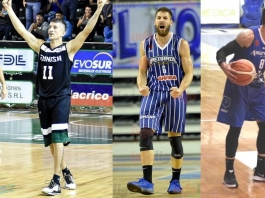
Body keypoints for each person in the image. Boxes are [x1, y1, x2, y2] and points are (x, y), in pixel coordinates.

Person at [2, 0, 104, 196]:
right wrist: (8, 9)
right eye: (50, 27)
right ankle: (65, 171)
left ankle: (55, 182)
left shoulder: (69, 48)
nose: (51, 29)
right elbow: (23, 31)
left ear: (63, 32)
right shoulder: (42, 47)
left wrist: (99, 8)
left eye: (55, 27)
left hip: (61, 98)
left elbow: (86, 31)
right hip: (44, 99)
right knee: (50, 141)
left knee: (58, 140)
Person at [215, 4, 265, 188]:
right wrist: (224, 66)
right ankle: (229, 172)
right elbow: (221, 52)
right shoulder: (248, 36)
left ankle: (260, 170)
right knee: (235, 128)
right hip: (238, 86)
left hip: (258, 87)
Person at [126, 7, 193, 195]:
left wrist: (180, 89)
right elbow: (141, 72)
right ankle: (147, 182)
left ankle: (175, 181)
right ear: (155, 22)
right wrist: (141, 86)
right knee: (145, 132)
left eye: (165, 18)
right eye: (158, 18)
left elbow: (189, 74)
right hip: (153, 92)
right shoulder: (146, 44)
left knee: (175, 139)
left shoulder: (181, 44)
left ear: (170, 22)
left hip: (174, 93)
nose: (161, 20)